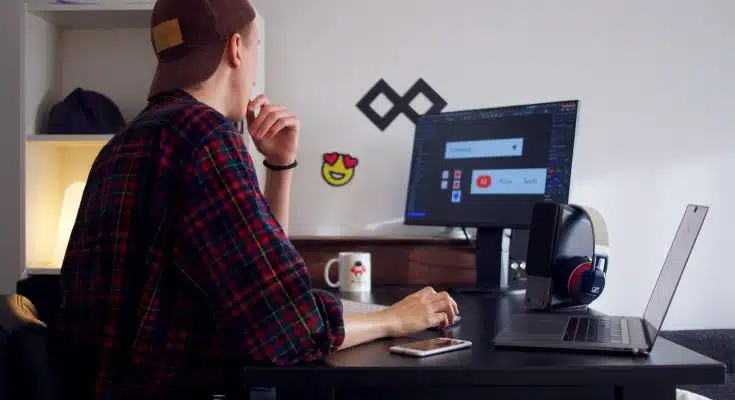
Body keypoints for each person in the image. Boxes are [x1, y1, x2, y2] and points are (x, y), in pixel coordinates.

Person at [50, 0, 459, 399]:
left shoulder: (125, 142)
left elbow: (263, 276)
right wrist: (394, 318)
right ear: (236, 48)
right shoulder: (204, 135)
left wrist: (279, 167)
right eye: (255, 49)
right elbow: (287, 330)